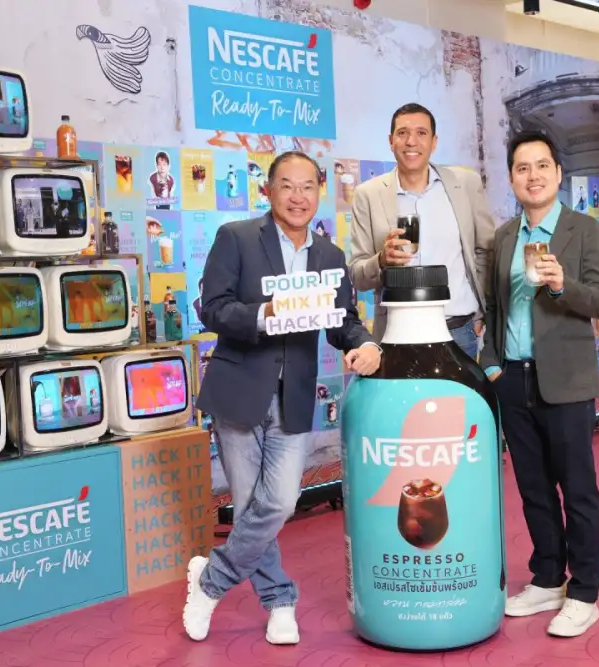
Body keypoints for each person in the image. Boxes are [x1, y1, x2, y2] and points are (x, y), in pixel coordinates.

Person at [182, 151, 382, 646]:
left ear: (319, 192)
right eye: (287, 186)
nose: (298, 196)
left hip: (294, 395)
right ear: (268, 190)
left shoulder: (329, 256)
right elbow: (212, 308)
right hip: (239, 388)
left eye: (307, 187)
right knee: (250, 504)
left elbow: (343, 321)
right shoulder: (236, 237)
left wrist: (365, 344)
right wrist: (262, 315)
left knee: (280, 502)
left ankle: (210, 581)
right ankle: (279, 600)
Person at [480, 130, 599, 638]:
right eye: (522, 168)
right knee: (533, 488)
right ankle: (547, 577)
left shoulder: (584, 229)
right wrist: (492, 366)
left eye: (541, 166)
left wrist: (562, 284)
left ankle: (584, 591)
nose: (532, 176)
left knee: (577, 489)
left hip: (566, 380)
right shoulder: (504, 237)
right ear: (512, 178)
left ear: (558, 174)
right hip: (512, 379)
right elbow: (494, 309)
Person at [348, 103, 495, 358]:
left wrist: (480, 312)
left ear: (434, 142)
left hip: (458, 331)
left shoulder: (465, 184)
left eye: (421, 133)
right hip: (396, 333)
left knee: (460, 389)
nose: (411, 141)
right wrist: (382, 260)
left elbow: (486, 250)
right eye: (402, 133)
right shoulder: (368, 195)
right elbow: (357, 275)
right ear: (391, 141)